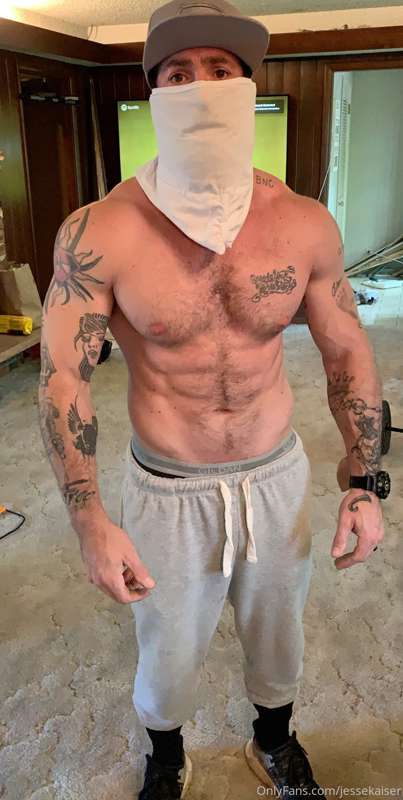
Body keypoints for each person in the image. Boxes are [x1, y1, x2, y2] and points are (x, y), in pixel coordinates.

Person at [39, 1, 387, 797]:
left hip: (275, 474)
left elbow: (347, 351)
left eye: (221, 70)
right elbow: (63, 379)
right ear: (154, 93)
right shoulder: (101, 231)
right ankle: (166, 757)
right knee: (167, 646)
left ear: (246, 87)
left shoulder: (301, 223)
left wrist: (366, 482)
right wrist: (90, 522)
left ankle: (274, 740)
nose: (200, 85)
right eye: (178, 73)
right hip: (167, 485)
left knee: (278, 631)